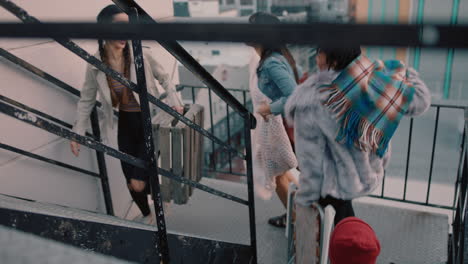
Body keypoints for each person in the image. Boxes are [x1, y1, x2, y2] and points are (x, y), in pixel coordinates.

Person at [285, 45, 431, 225]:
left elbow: (310, 157)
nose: (316, 58)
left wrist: (305, 199)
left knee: (329, 239)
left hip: (329, 184)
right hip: (364, 175)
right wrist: (404, 71)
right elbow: (420, 100)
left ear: (335, 59)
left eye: (319, 53)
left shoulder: (313, 96)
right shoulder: (372, 81)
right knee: (347, 227)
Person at [70, 5, 184, 224]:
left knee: (139, 177)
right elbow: (86, 99)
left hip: (148, 120)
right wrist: (77, 133)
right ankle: (148, 214)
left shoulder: (140, 52)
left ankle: (159, 206)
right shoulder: (96, 64)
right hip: (124, 122)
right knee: (130, 179)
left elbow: (165, 78)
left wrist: (174, 101)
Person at [247, 12, 300, 228]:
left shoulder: (271, 63)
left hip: (277, 128)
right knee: (283, 173)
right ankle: (302, 214)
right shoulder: (270, 58)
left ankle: (299, 220)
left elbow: (294, 94)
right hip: (274, 127)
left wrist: (270, 108)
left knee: (278, 178)